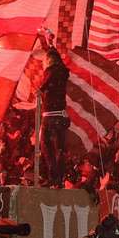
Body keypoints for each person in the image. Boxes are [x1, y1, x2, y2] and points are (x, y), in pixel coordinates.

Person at [37, 30, 69, 188]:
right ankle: (56, 179)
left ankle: (55, 179)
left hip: (52, 118)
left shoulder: (53, 71)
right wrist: (47, 42)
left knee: (50, 149)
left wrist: (40, 89)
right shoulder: (61, 70)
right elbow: (54, 55)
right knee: (54, 149)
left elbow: (43, 85)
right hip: (54, 118)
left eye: (44, 61)